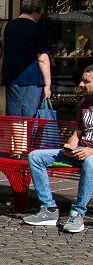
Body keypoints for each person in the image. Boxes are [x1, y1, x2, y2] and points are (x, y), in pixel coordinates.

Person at [23, 66, 93, 233]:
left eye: (86, 81)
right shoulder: (84, 105)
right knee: (35, 157)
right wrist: (70, 145)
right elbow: (78, 133)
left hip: (90, 155)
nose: (81, 85)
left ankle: (78, 213)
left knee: (90, 162)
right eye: (82, 80)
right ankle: (48, 209)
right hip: (81, 150)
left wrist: (91, 152)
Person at [0, 0, 52, 118]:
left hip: (11, 76)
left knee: (14, 117)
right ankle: (26, 138)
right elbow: (43, 59)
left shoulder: (6, 27)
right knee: (29, 116)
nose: (40, 17)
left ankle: (18, 138)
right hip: (33, 80)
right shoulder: (37, 30)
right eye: (40, 13)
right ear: (35, 12)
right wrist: (48, 85)